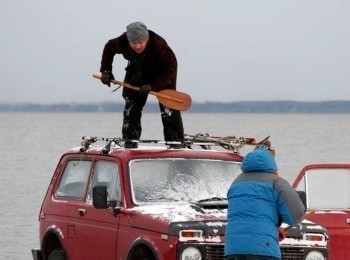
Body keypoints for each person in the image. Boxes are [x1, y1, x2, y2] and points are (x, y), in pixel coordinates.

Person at [99, 21, 184, 148]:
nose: (137, 46)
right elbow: (109, 48)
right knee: (132, 106)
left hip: (162, 73)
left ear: (147, 39)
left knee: (169, 109)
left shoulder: (158, 44)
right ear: (128, 41)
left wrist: (153, 86)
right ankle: (130, 142)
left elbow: (171, 68)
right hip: (137, 70)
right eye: (134, 43)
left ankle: (175, 143)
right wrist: (106, 71)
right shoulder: (121, 41)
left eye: (140, 42)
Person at [225, 144, 305, 260]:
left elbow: (245, 215)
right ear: (271, 162)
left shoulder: (236, 183)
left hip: (234, 249)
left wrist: (273, 227)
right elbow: (295, 215)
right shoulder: (277, 182)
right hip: (264, 249)